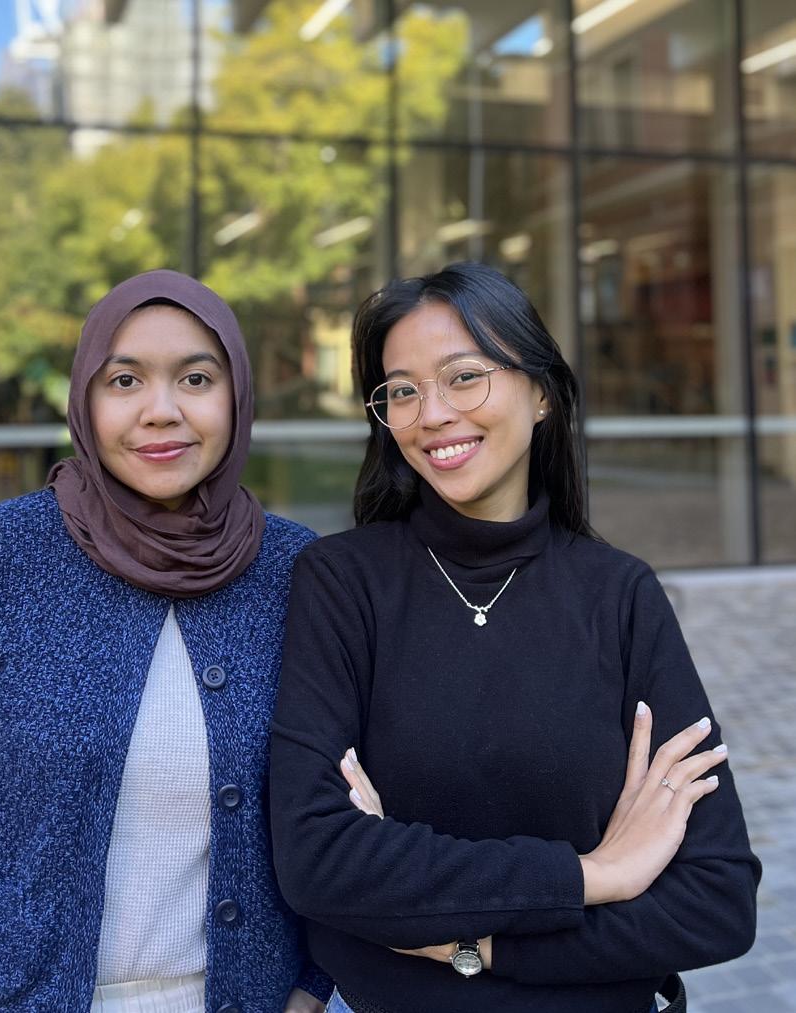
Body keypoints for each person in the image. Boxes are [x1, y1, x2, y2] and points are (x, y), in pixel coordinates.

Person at [269, 262, 760, 1013]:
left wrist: (471, 944)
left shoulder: (619, 595)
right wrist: (598, 875)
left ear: (541, 394)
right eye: (401, 390)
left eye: (464, 377)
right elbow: (318, 860)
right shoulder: (342, 582)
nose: (432, 414)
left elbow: (716, 902)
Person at [0, 270, 332, 1013]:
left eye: (196, 378)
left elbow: (346, 804)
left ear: (238, 396)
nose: (161, 410)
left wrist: (314, 984)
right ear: (85, 398)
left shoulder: (298, 571)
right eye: (125, 380)